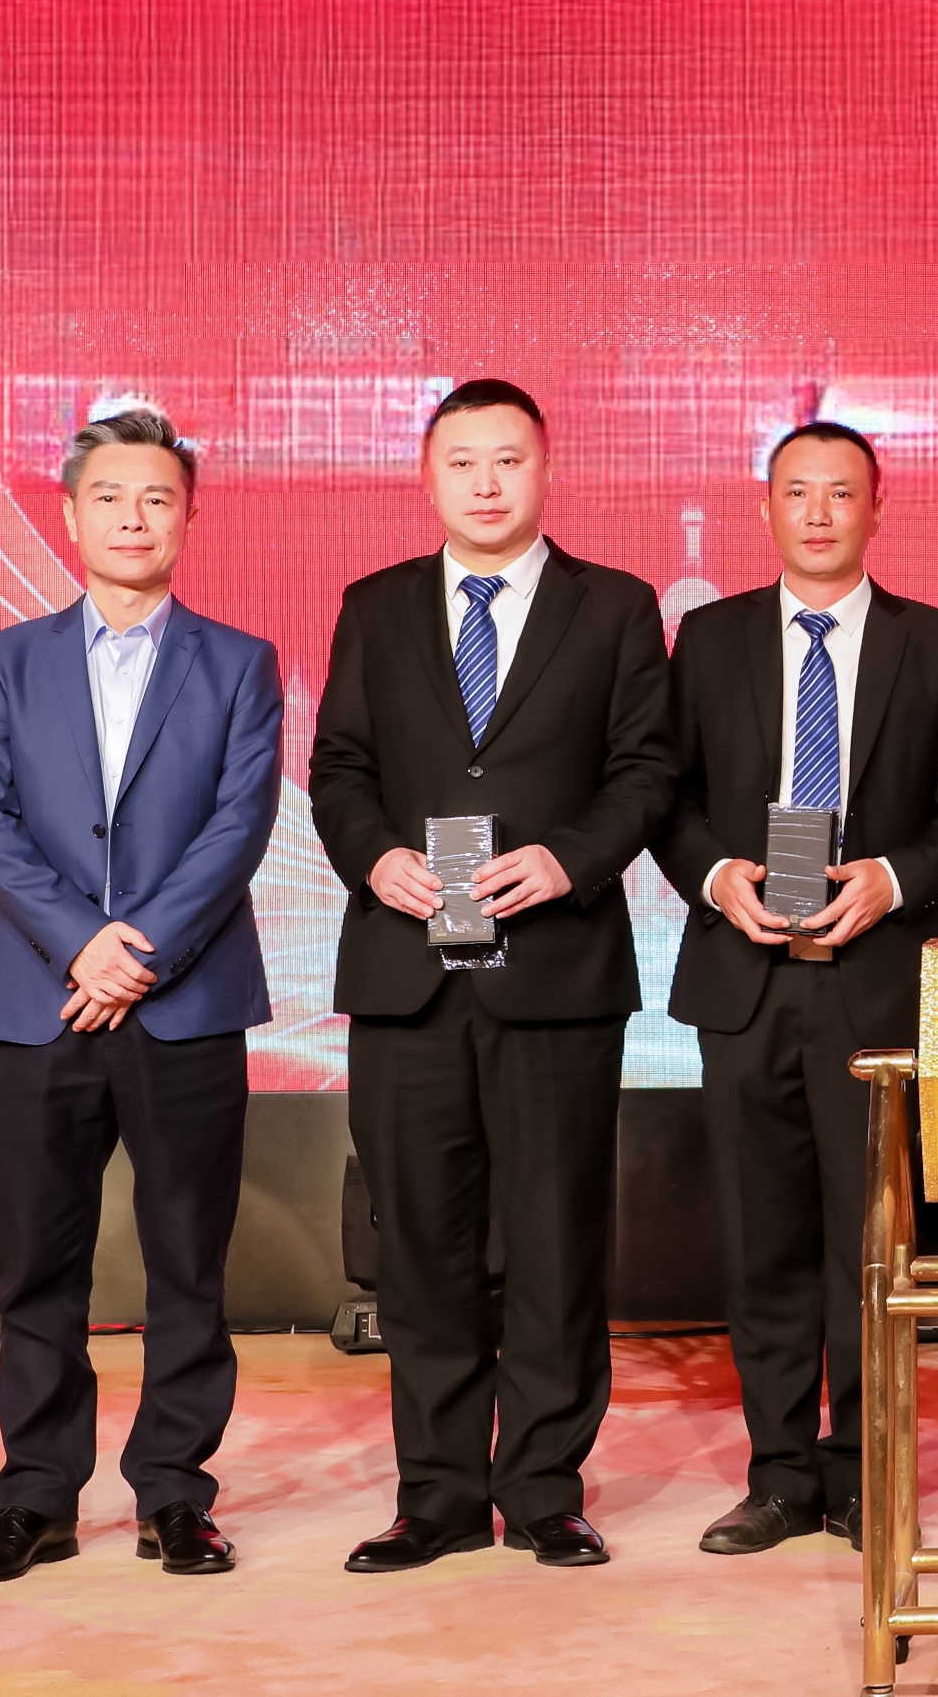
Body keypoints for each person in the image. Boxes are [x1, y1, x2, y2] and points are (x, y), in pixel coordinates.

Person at [310, 378, 679, 1573]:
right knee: (420, 1244)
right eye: (461, 460)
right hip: (406, 972)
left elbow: (645, 770)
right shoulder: (373, 605)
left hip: (557, 970)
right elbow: (338, 767)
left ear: (545, 469)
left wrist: (567, 859)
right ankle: (437, 1494)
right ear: (427, 476)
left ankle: (544, 1485)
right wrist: (375, 858)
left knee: (556, 1239)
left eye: (507, 459)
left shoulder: (613, 605)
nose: (485, 481)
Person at [0, 408, 284, 1585]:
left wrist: (138, 953)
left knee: (188, 1261)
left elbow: (238, 823)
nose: (133, 518)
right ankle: (34, 1496)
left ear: (187, 515)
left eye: (156, 497)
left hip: (185, 1002)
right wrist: (79, 944)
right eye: (110, 496)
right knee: (38, 1265)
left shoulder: (238, 661)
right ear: (71, 512)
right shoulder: (5, 659)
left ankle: (175, 1491)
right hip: (41, 1000)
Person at [654, 422, 938, 1555]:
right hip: (744, 978)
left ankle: (861, 1469)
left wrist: (893, 878)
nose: (817, 511)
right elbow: (663, 794)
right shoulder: (707, 637)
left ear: (875, 508)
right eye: (796, 491)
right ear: (765, 507)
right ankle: (777, 1474)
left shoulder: (935, 642)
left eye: (840, 492)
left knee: (871, 1241)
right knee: (761, 1240)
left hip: (877, 980)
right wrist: (716, 876)